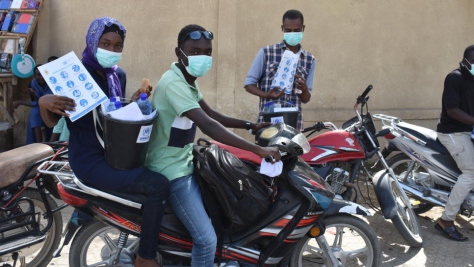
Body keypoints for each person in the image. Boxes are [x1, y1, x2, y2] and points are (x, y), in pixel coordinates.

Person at [145, 24, 281, 267]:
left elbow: (211, 113)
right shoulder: (174, 83)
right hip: (171, 171)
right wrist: (258, 150)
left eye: (207, 52)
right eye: (195, 51)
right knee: (206, 240)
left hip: (184, 161)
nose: (203, 57)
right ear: (180, 53)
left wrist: (250, 125)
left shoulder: (185, 78)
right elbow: (207, 124)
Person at [38, 17, 169, 267]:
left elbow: (113, 114)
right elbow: (51, 122)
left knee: (162, 175)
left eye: (117, 46)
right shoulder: (72, 75)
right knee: (157, 186)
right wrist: (44, 104)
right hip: (89, 158)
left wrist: (135, 101)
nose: (111, 50)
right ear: (92, 41)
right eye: (105, 43)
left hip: (114, 153)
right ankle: (145, 257)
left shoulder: (117, 74)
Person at [244, 9, 316, 131]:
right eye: (288, 30)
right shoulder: (267, 52)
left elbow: (305, 99)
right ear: (282, 28)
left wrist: (304, 89)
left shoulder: (309, 59)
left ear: (303, 28)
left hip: (294, 125)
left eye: (297, 30)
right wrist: (266, 94)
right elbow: (248, 84)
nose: (292, 33)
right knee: (267, 150)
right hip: (268, 123)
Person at [435, 44, 474, 242]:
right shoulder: (455, 77)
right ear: (467, 61)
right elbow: (452, 110)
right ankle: (446, 220)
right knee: (471, 172)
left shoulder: (472, 78)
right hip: (453, 132)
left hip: (468, 131)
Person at [10, 65, 53, 144]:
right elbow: (37, 103)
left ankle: (42, 144)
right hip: (40, 109)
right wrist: (20, 102)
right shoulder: (34, 83)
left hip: (52, 108)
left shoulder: (51, 82)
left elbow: (44, 102)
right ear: (34, 75)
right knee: (34, 114)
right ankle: (37, 143)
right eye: (38, 75)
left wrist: (21, 102)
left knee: (35, 113)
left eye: (43, 74)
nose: (41, 77)